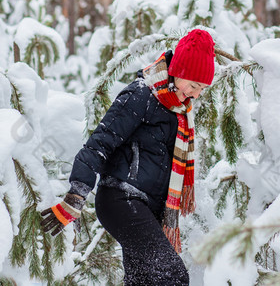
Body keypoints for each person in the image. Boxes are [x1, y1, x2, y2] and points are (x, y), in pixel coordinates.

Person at [40, 29, 216, 285]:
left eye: (201, 89)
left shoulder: (178, 110)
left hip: (146, 208)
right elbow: (98, 144)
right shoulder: (140, 96)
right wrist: (77, 193)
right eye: (193, 85)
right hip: (120, 199)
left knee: (143, 281)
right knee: (173, 277)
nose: (196, 94)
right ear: (178, 71)